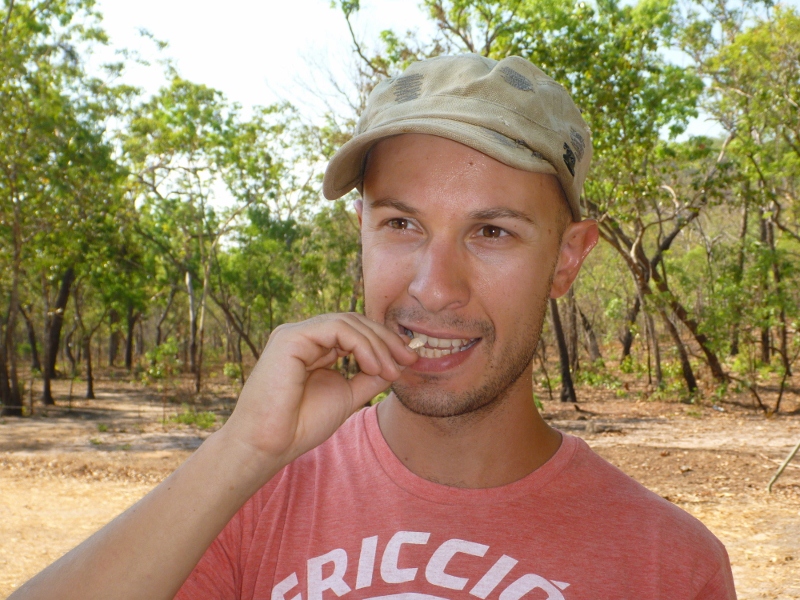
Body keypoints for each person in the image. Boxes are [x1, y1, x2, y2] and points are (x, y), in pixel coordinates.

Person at [11, 54, 736, 600]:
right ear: (360, 228)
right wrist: (241, 450)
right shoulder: (246, 500)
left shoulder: (668, 565)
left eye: (492, 231)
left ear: (567, 258)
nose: (434, 287)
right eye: (400, 224)